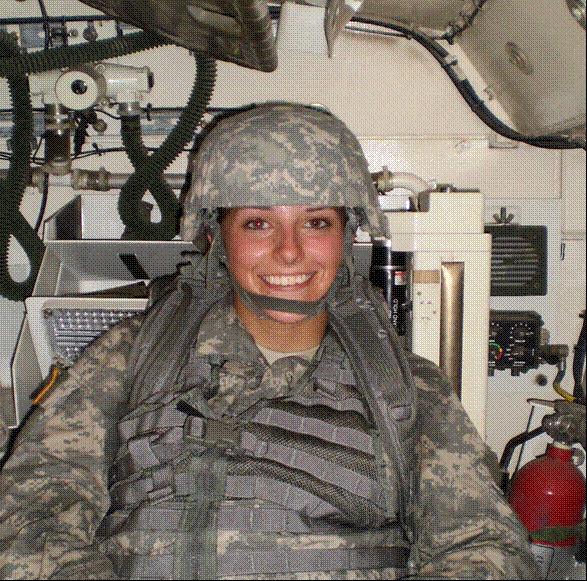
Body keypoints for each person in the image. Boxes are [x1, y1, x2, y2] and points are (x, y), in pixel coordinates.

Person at [0, 103, 540, 579]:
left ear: (346, 235)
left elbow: (486, 548)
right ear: (216, 235)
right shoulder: (134, 355)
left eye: (316, 223)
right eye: (258, 223)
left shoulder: (405, 389)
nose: (289, 252)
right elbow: (33, 507)